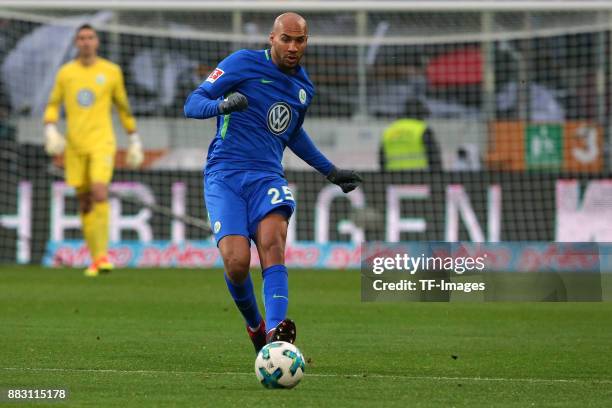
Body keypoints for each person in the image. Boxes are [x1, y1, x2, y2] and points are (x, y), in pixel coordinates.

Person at [184, 12, 362, 353]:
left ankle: (277, 337)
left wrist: (330, 171)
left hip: (267, 175)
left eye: (300, 40)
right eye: (286, 39)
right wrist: (221, 105)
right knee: (236, 264)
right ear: (272, 38)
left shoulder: (303, 88)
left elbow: (291, 132)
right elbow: (193, 103)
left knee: (272, 242)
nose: (293, 47)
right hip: (225, 174)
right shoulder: (240, 63)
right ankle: (256, 326)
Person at [43, 24, 144, 277]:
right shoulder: (66, 73)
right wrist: (50, 129)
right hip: (75, 145)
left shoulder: (110, 71)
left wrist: (134, 138)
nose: (86, 42)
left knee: (99, 192)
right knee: (85, 201)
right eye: (81, 38)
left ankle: (102, 256)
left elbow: (122, 106)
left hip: (102, 142)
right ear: (76, 43)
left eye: (90, 37)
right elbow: (54, 103)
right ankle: (96, 257)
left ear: (97, 42)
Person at [379, 98, 442, 172]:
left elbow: (381, 159)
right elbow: (434, 158)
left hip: (393, 179)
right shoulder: (422, 129)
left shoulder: (389, 130)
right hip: (419, 179)